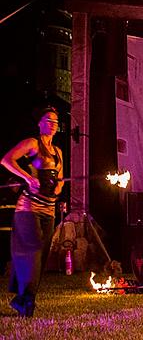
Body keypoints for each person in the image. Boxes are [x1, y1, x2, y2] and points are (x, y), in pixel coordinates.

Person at [2, 107, 65, 316]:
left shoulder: (58, 152)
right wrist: (28, 178)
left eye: (56, 121)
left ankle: (24, 300)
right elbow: (6, 160)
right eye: (48, 120)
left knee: (42, 255)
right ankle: (25, 300)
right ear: (39, 123)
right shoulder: (32, 143)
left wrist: (57, 188)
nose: (53, 124)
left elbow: (60, 180)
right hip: (29, 207)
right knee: (33, 250)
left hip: (49, 209)